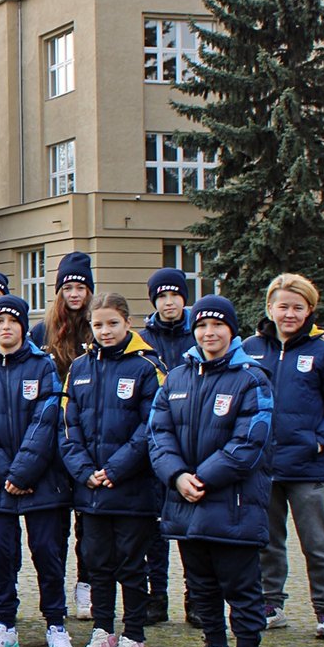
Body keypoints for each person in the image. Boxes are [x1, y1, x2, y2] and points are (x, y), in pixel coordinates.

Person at [149, 295, 273, 647]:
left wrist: (202, 477)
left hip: (233, 504)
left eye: (217, 326)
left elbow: (251, 440)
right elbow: (158, 433)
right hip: (186, 502)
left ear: (232, 331)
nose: (209, 333)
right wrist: (176, 476)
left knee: (241, 585)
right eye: (202, 326)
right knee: (200, 583)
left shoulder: (252, 378)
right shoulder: (178, 377)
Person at [0, 294, 75, 647]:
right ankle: (5, 625)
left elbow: (47, 421)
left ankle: (56, 624)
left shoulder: (44, 367)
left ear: (24, 326)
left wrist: (23, 471)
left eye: (12, 321)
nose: (5, 328)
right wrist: (5, 474)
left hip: (42, 479)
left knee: (47, 552)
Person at [243, 273, 324, 639]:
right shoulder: (249, 349)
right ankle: (270, 604)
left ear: (309, 309)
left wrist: (320, 442)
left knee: (317, 542)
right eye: (283, 306)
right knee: (267, 540)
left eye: (297, 307)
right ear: (269, 308)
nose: (289, 313)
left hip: (309, 465)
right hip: (264, 466)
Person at [58, 293, 164, 647]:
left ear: (127, 323)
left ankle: (134, 634)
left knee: (132, 565)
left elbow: (152, 426)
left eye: (112, 324)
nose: (105, 331)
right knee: (96, 562)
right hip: (90, 489)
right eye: (98, 325)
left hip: (131, 488)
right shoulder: (80, 367)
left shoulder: (147, 366)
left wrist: (115, 469)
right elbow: (67, 425)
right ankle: (104, 629)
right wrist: (85, 470)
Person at [31, 251, 96, 621]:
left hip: (87, 438)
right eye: (68, 287)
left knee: (89, 528)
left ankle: (86, 588)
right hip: (52, 442)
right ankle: (51, 594)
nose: (75, 295)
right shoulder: (42, 332)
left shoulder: (96, 328)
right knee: (53, 530)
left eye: (81, 288)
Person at [137, 267, 194, 624]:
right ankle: (155, 595)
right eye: (161, 296)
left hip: (193, 445)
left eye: (174, 295)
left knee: (192, 529)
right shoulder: (143, 340)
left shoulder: (199, 333)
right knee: (153, 529)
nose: (168, 302)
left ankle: (197, 597)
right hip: (153, 446)